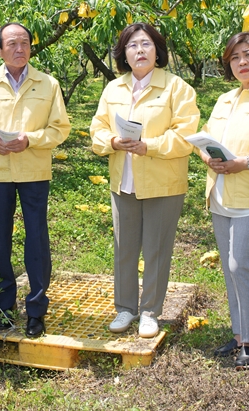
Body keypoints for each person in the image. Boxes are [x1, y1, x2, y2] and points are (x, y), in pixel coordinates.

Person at [90, 23, 199, 339]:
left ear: (158, 50)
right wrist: (111, 141)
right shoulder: (114, 89)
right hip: (123, 180)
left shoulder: (176, 88)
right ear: (123, 53)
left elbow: (185, 136)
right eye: (132, 45)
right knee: (124, 248)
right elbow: (96, 129)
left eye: (146, 44)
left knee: (156, 249)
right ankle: (125, 307)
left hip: (161, 183)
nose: (140, 50)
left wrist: (147, 145)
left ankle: (150, 311)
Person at [0, 23, 71, 338]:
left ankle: (36, 310)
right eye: (12, 44)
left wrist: (31, 139)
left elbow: (60, 129)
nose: (19, 49)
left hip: (35, 171)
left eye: (24, 42)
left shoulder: (47, 85)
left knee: (37, 240)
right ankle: (4, 306)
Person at [198, 32, 249, 369]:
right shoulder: (225, 99)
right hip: (221, 196)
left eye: (248, 55)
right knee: (231, 271)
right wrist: (208, 158)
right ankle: (238, 335)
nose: (242, 63)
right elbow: (207, 138)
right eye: (235, 58)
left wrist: (244, 162)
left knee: (242, 266)